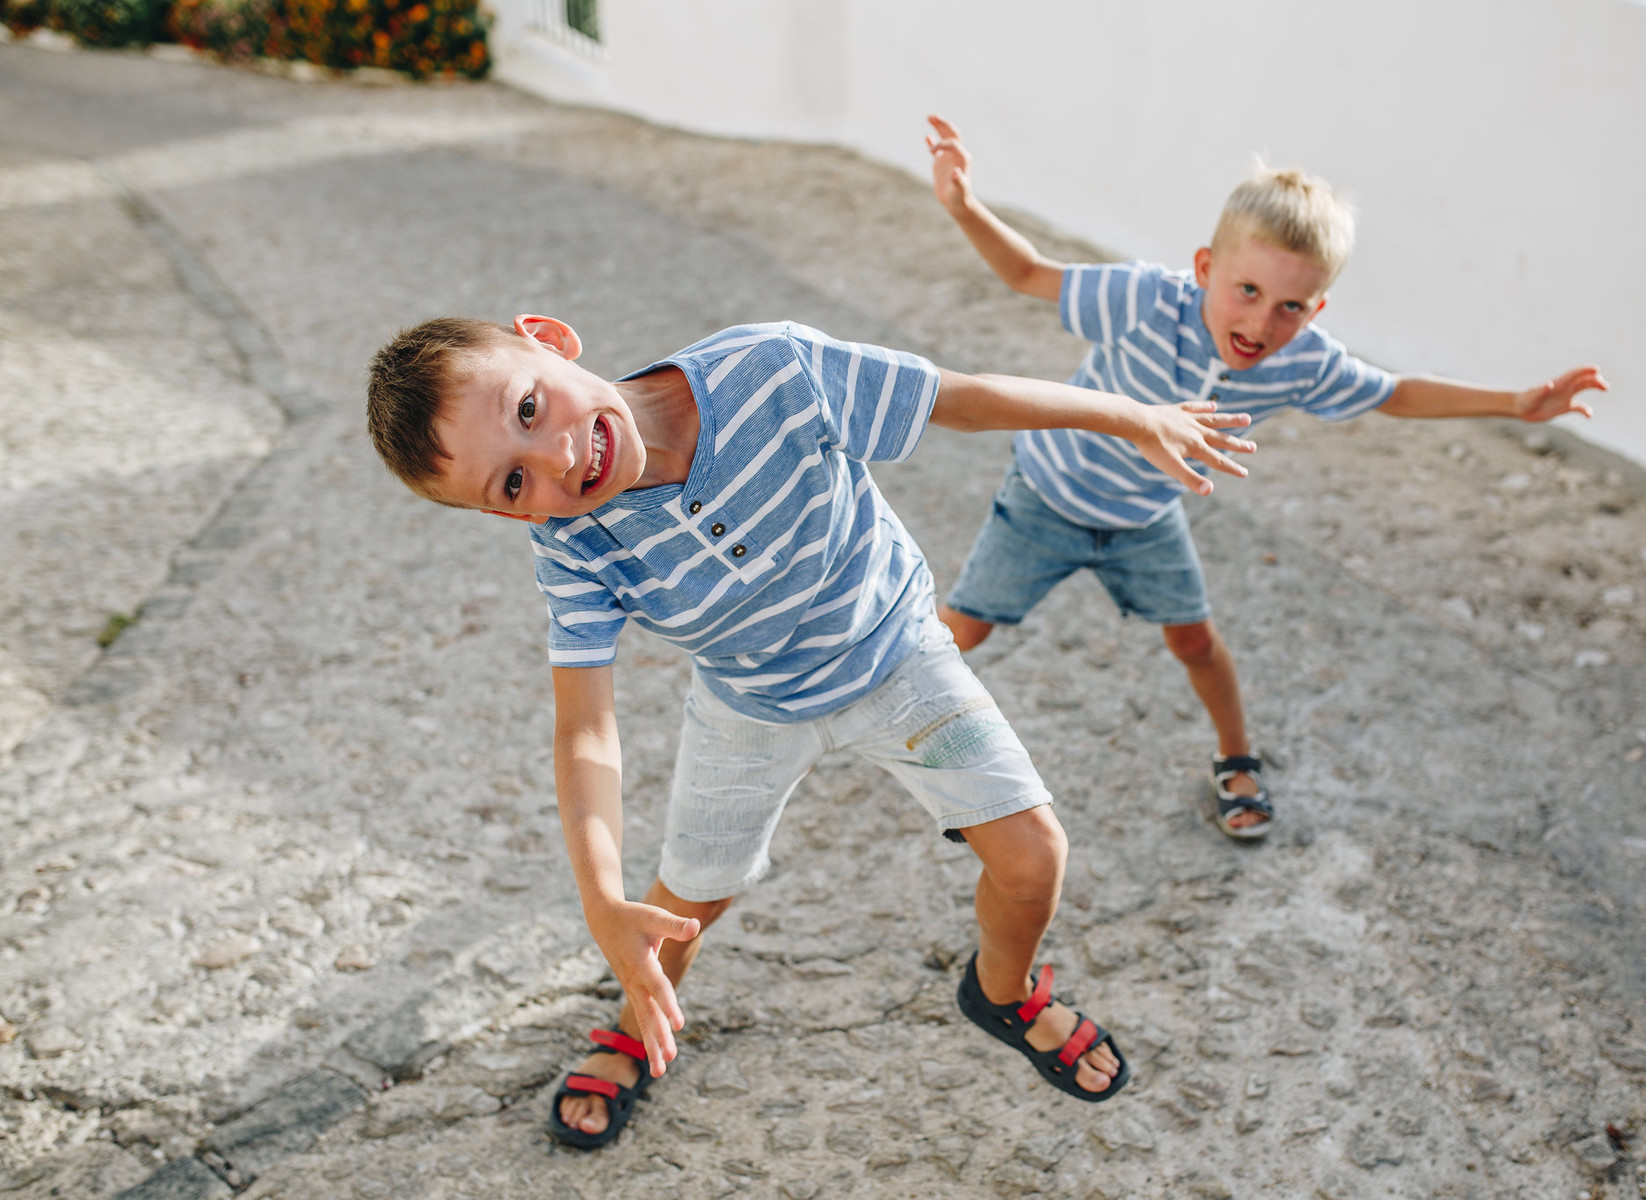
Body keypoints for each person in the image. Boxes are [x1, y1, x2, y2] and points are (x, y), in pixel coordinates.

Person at [364, 314, 1259, 1145]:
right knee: (673, 917)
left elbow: (963, 396)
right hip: (749, 705)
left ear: (550, 340)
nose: (556, 456)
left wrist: (1133, 417)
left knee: (1034, 860)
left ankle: (1003, 992)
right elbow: (584, 732)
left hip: (899, 659)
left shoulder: (772, 370)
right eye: (513, 480)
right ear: (502, 513)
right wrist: (602, 900)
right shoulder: (573, 542)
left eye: (529, 406)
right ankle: (642, 1021)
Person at [924, 114, 1608, 841]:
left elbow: (1395, 392)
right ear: (1204, 269)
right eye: (1246, 290)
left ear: (1317, 310)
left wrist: (1513, 404)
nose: (1262, 321)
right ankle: (903, 724)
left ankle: (1236, 755)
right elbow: (1029, 273)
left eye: (1291, 307)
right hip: (1047, 495)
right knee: (962, 630)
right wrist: (964, 205)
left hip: (1147, 519)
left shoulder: (1303, 362)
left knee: (1194, 641)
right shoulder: (1145, 301)